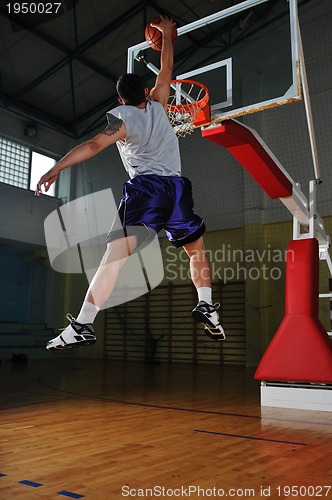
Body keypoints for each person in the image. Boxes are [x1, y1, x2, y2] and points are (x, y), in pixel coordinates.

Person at [36, 15, 225, 349]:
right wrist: (167, 36)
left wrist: (57, 167)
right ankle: (206, 304)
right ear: (146, 91)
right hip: (177, 190)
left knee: (114, 258)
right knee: (196, 250)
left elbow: (94, 145)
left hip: (147, 191)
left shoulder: (122, 119)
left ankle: (83, 323)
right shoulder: (159, 103)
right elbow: (166, 67)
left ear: (120, 100)